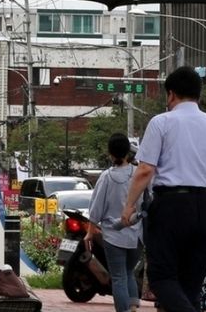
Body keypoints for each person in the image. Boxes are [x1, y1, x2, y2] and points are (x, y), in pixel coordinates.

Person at [122, 66, 206, 312]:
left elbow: (145, 169)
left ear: (171, 94)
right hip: (205, 207)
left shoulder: (161, 122)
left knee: (161, 278)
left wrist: (128, 206)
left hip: (171, 206)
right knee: (191, 285)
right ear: (199, 94)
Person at [84, 133, 143, 312]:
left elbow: (96, 208)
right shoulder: (138, 174)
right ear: (128, 152)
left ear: (110, 153)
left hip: (113, 234)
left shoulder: (107, 177)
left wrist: (90, 232)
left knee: (118, 277)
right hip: (136, 234)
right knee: (128, 272)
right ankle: (133, 306)